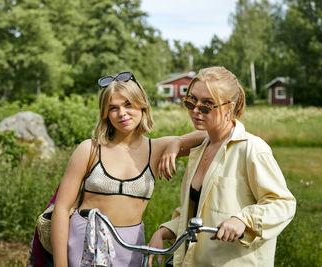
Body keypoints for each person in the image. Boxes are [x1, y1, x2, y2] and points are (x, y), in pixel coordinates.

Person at [50, 71, 205, 267]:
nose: (122, 113)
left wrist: (177, 142)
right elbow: (62, 209)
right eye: (113, 108)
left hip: (130, 246)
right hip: (85, 242)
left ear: (142, 105)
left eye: (128, 104)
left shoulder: (155, 149)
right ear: (105, 114)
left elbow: (211, 134)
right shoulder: (89, 149)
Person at [148, 66, 296, 267]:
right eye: (191, 101)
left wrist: (244, 220)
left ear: (229, 107)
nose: (196, 110)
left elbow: (283, 204)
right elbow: (198, 215)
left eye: (207, 104)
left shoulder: (252, 149)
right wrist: (163, 231)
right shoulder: (200, 149)